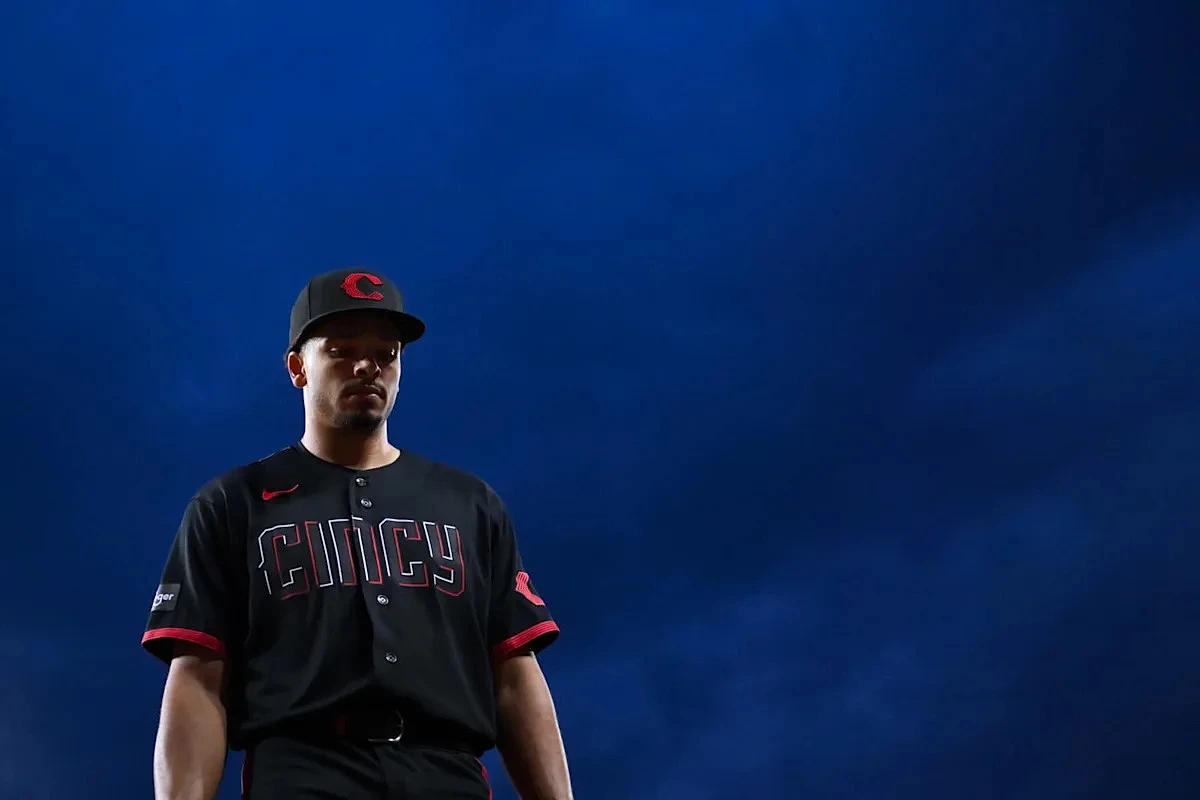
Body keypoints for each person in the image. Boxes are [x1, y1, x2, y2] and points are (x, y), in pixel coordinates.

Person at [141, 268, 573, 799]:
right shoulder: (231, 503)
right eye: (341, 351)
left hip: (446, 774)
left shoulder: (469, 503)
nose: (367, 366)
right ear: (298, 367)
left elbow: (514, 675)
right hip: (302, 773)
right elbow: (197, 680)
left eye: (385, 354)